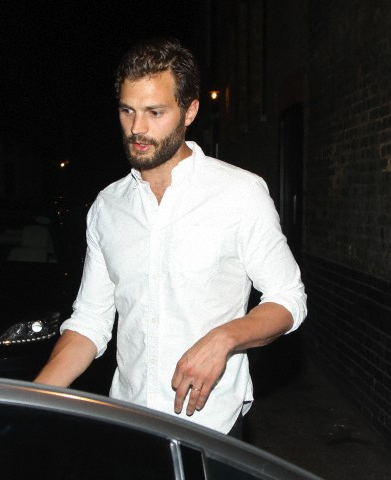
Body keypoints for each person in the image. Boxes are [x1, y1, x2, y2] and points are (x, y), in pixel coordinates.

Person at [35, 37, 307, 438]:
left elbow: (288, 299)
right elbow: (90, 322)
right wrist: (34, 398)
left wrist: (225, 338)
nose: (137, 128)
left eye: (155, 112)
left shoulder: (240, 193)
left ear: (190, 111)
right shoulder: (108, 206)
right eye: (127, 111)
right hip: (130, 423)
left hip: (211, 428)